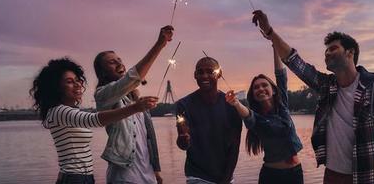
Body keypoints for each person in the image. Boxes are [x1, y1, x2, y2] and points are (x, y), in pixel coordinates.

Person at [251, 10, 374, 184]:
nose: (327, 53)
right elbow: (294, 61)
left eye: (333, 49)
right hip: (332, 176)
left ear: (350, 53)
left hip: (365, 178)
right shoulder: (327, 86)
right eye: (326, 51)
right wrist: (269, 32)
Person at [30, 58, 158, 184]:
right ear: (56, 88)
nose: (77, 84)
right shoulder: (59, 111)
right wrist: (135, 108)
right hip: (73, 178)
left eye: (77, 80)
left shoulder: (69, 111)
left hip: (83, 177)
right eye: (69, 81)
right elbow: (94, 119)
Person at [93, 25, 174, 184]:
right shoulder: (103, 96)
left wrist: (156, 170)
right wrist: (159, 45)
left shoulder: (136, 100)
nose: (118, 64)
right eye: (111, 62)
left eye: (119, 60)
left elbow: (148, 137)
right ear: (102, 72)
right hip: (124, 177)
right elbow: (132, 78)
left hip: (148, 176)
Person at [225, 47, 303, 184]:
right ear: (253, 95)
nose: (260, 89)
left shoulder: (282, 104)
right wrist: (236, 103)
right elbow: (248, 116)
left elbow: (281, 75)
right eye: (256, 87)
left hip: (295, 173)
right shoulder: (258, 119)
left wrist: (274, 45)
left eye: (264, 85)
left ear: (273, 90)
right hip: (272, 176)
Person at [175, 57, 243, 184]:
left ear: (219, 74)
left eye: (210, 71)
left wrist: (226, 179)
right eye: (200, 72)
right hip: (197, 176)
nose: (204, 76)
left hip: (226, 176)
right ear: (195, 75)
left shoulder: (232, 105)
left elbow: (235, 147)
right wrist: (183, 139)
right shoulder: (183, 105)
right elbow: (183, 145)